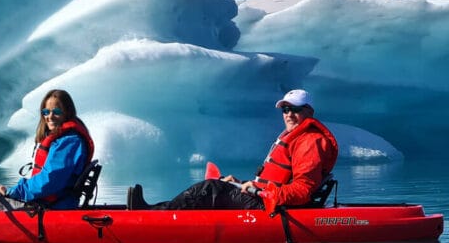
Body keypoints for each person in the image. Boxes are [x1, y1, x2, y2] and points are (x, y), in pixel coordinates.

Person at [128, 89, 338, 210]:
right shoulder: (296, 137)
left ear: (309, 111)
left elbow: (302, 191)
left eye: (295, 109)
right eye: (285, 109)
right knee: (218, 187)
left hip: (271, 206)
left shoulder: (309, 141)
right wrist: (242, 184)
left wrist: (261, 191)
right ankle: (157, 210)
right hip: (264, 197)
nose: (289, 114)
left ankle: (153, 216)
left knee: (209, 189)